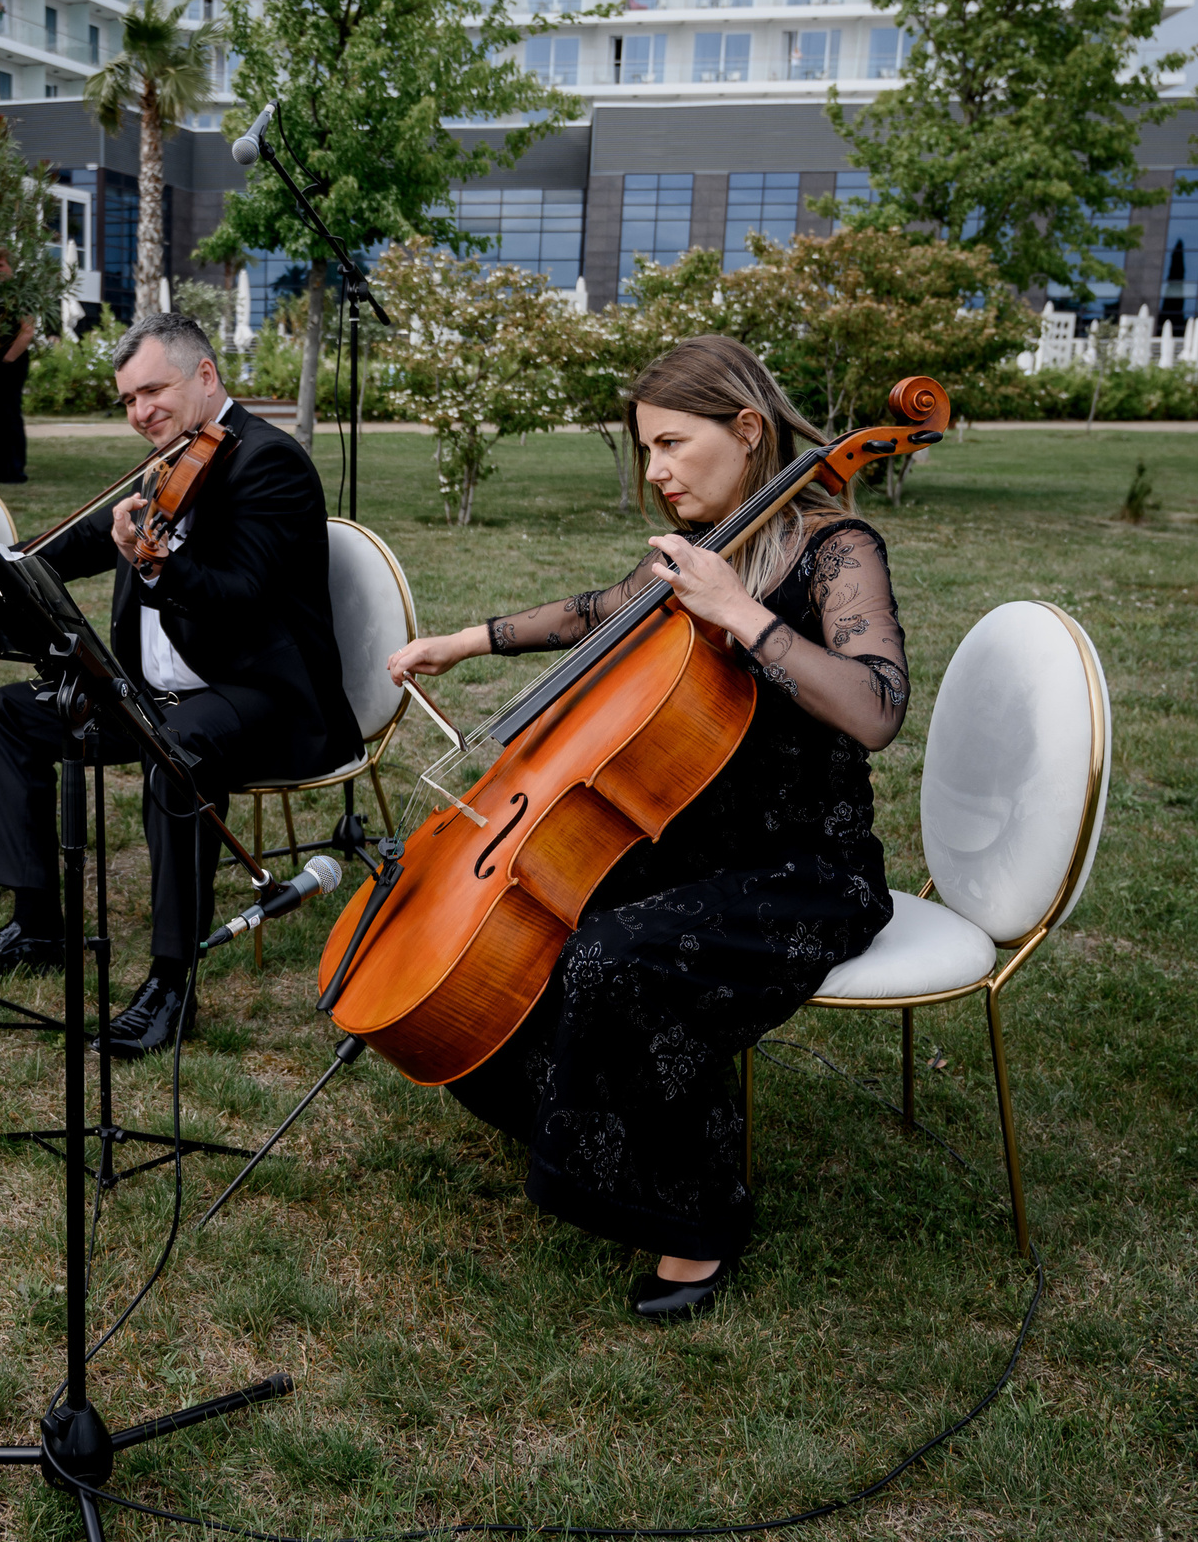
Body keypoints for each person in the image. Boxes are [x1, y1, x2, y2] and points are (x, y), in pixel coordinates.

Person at [384, 334, 908, 1321]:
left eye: (673, 446)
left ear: (746, 431)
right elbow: (598, 611)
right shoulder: (696, 553)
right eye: (647, 453)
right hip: (698, 841)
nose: (657, 473)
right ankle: (591, 1130)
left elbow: (877, 708)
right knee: (510, 939)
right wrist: (465, 641)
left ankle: (697, 1218)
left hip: (809, 869)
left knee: (615, 955)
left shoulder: (837, 549)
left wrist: (744, 620)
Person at [0, 311, 359, 1057]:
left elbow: (244, 593)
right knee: (10, 716)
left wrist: (156, 564)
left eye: (152, 391)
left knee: (175, 749)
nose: (139, 412)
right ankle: (35, 926)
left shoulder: (269, 463)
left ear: (205, 376)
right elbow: (89, 540)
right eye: (127, 400)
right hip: (159, 699)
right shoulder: (171, 458)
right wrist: (5, 569)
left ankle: (171, 983)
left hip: (261, 698)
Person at [0, 246, 37, 483]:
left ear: (10, 267)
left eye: (1, 265)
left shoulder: (20, 293)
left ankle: (14, 468)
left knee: (10, 414)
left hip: (11, 360)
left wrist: (7, 359)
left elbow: (27, 330)